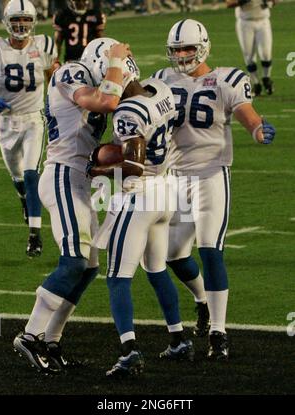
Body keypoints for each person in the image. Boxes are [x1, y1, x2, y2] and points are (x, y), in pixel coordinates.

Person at [152, 18, 275, 359]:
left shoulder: (226, 78)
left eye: (188, 48)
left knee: (209, 248)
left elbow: (246, 113)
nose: (182, 55)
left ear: (203, 45)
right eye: (177, 49)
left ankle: (219, 333)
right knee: (172, 255)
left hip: (210, 174)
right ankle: (202, 301)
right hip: (173, 176)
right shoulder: (161, 80)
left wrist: (258, 130)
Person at [13, 38, 132, 372]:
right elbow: (106, 100)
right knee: (73, 262)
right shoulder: (70, 72)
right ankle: (29, 334)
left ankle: (51, 340)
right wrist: (116, 62)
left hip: (80, 177)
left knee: (89, 265)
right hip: (63, 175)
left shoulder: (88, 75)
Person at [88, 38, 194, 377]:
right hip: (166, 189)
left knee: (117, 277)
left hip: (142, 193)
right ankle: (179, 339)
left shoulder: (128, 112)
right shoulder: (159, 87)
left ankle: (129, 350)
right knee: (157, 268)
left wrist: (98, 168)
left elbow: (132, 166)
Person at [0, 0, 58, 257]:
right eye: (17, 21)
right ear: (7, 23)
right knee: (18, 178)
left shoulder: (44, 45)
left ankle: (35, 234)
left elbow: (54, 75)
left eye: (26, 20)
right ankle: (23, 199)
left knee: (32, 174)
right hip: (6, 123)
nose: (21, 25)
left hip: (34, 119)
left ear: (33, 22)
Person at [226, 0, 277, 96]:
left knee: (266, 54)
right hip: (245, 22)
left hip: (263, 20)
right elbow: (229, 3)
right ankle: (256, 83)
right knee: (249, 56)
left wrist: (270, 2)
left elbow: (275, 1)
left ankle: (266, 78)